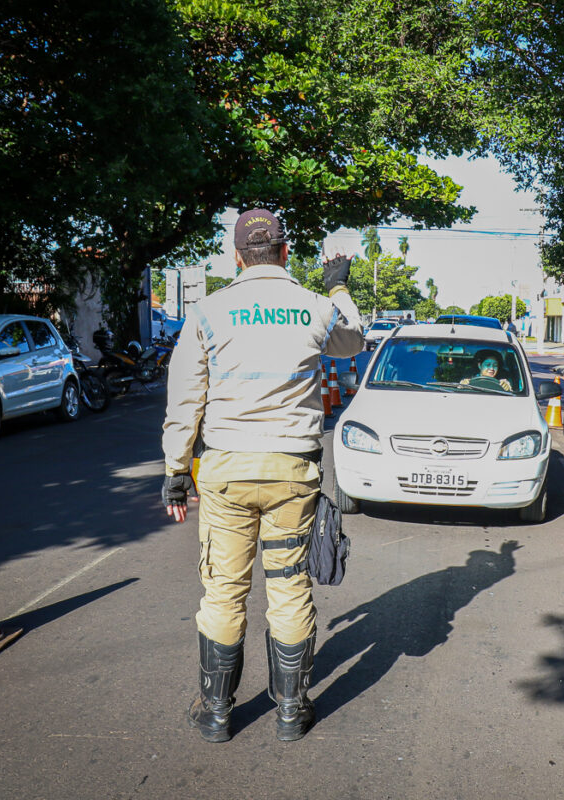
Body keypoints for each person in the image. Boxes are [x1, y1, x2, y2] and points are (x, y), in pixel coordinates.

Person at [161, 208, 364, 743]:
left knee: (224, 592)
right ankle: (292, 712)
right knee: (289, 587)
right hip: (293, 472)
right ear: (284, 252)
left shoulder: (208, 312)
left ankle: (215, 714)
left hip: (227, 471)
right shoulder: (314, 307)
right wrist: (339, 287)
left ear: (235, 256)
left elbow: (185, 399)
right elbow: (355, 340)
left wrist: (176, 470)